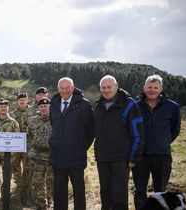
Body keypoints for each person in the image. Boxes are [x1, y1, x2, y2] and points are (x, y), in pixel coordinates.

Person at [94, 75, 144, 210]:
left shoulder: (129, 105)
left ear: (116, 86)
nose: (106, 90)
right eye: (103, 88)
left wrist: (134, 157)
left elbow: (138, 134)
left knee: (119, 196)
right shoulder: (98, 106)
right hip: (103, 158)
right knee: (105, 194)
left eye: (109, 87)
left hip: (121, 159)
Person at [132, 75, 181, 209]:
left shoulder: (173, 107)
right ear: (144, 88)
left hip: (162, 156)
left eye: (155, 87)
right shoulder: (135, 106)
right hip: (140, 156)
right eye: (149, 87)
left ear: (161, 89)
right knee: (140, 191)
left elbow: (175, 130)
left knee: (160, 191)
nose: (152, 90)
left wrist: (162, 142)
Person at [49, 77, 95, 210]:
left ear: (73, 88)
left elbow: (91, 131)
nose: (64, 91)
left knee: (79, 191)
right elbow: (54, 125)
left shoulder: (84, 105)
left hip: (76, 156)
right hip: (57, 156)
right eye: (61, 88)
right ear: (58, 89)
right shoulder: (54, 103)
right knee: (59, 191)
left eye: (67, 88)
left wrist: (80, 146)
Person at [0, 99, 20, 203]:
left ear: (8, 108)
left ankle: (4, 197)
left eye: (5, 106)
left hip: (7, 155)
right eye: (1, 106)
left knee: (6, 176)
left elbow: (18, 138)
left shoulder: (13, 122)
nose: (3, 108)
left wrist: (14, 154)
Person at [26, 97, 53, 209]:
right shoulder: (32, 120)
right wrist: (30, 150)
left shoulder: (56, 119)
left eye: (45, 106)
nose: (43, 108)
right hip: (37, 156)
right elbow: (29, 136)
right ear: (38, 108)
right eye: (41, 106)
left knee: (52, 181)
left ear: (49, 107)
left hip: (52, 156)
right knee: (37, 181)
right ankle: (41, 204)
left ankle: (51, 201)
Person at [9, 93, 30, 191]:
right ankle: (18, 187)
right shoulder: (12, 114)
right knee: (16, 165)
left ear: (27, 100)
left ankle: (27, 187)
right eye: (20, 100)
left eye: (24, 99)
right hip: (16, 145)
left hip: (29, 144)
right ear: (17, 102)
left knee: (28, 165)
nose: (22, 101)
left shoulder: (33, 112)